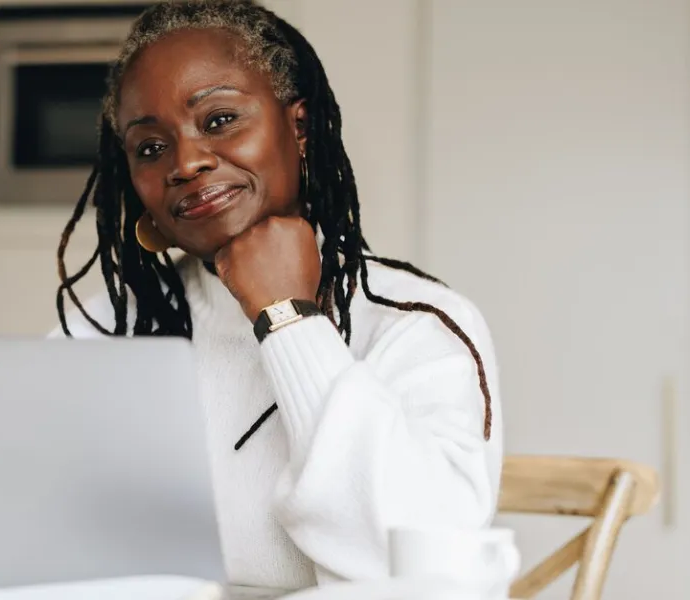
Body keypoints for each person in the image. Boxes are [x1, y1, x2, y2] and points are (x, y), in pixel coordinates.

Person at [53, 0, 503, 591]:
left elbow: (414, 570)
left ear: (298, 126)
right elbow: (48, 530)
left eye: (218, 121)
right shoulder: (107, 324)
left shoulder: (412, 325)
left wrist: (290, 319)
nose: (185, 162)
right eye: (150, 148)